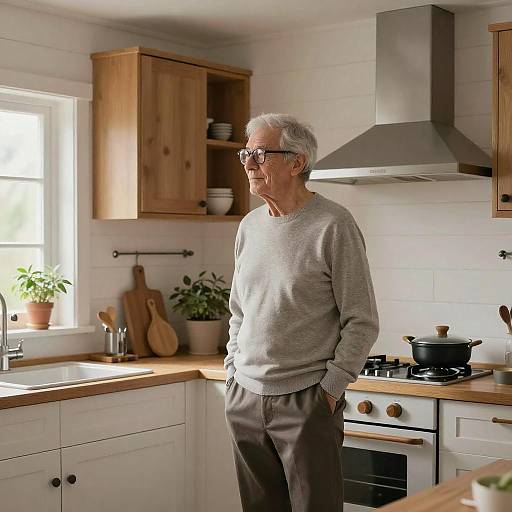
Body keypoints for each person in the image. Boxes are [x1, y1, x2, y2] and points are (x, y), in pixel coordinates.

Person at [224, 113, 379, 512]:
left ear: (296, 162)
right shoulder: (249, 226)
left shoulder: (333, 224)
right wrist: (232, 373)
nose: (248, 164)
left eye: (259, 154)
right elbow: (239, 310)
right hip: (245, 395)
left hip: (306, 399)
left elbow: (361, 319)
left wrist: (329, 390)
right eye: (246, 154)